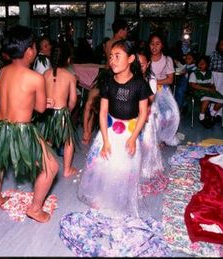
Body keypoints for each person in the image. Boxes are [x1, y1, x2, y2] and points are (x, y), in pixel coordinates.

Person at [0, 25, 59, 223]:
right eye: (34, 46)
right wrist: (45, 102)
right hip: (21, 130)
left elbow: (15, 98)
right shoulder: (35, 77)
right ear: (29, 51)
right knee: (51, 166)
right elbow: (41, 109)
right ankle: (35, 209)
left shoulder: (3, 72)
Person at [77, 40, 152, 218]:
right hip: (109, 131)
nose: (112, 60)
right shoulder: (108, 83)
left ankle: (119, 198)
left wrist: (133, 138)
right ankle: (101, 195)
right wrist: (104, 139)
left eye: (118, 56)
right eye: (111, 56)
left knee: (122, 167)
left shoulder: (140, 84)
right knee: (104, 165)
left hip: (129, 133)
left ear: (131, 59)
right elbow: (102, 112)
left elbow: (143, 113)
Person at [82, 19, 129, 145]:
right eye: (126, 30)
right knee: (102, 105)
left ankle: (86, 133)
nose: (127, 33)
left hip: (105, 75)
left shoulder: (108, 43)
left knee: (91, 104)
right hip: (113, 76)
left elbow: (109, 63)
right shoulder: (122, 45)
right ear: (121, 30)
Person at [41, 44, 78, 177]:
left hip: (47, 112)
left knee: (47, 139)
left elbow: (41, 95)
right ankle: (67, 170)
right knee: (68, 141)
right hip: (62, 112)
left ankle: (42, 163)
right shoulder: (70, 76)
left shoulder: (45, 74)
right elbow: (73, 100)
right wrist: (69, 110)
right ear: (68, 60)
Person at [148, 32, 180, 146]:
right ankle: (150, 139)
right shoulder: (146, 59)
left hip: (162, 90)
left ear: (162, 45)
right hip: (147, 90)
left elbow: (170, 80)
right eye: (152, 43)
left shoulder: (167, 60)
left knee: (168, 114)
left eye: (157, 44)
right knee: (150, 114)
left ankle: (162, 138)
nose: (154, 46)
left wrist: (154, 82)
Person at [189, 55, 223, 129]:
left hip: (208, 90)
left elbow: (212, 84)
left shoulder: (210, 73)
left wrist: (213, 88)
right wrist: (206, 89)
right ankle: (201, 117)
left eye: (203, 63)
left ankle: (212, 114)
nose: (200, 65)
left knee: (221, 100)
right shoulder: (194, 73)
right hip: (198, 91)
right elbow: (193, 85)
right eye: (199, 63)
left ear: (207, 65)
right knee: (206, 99)